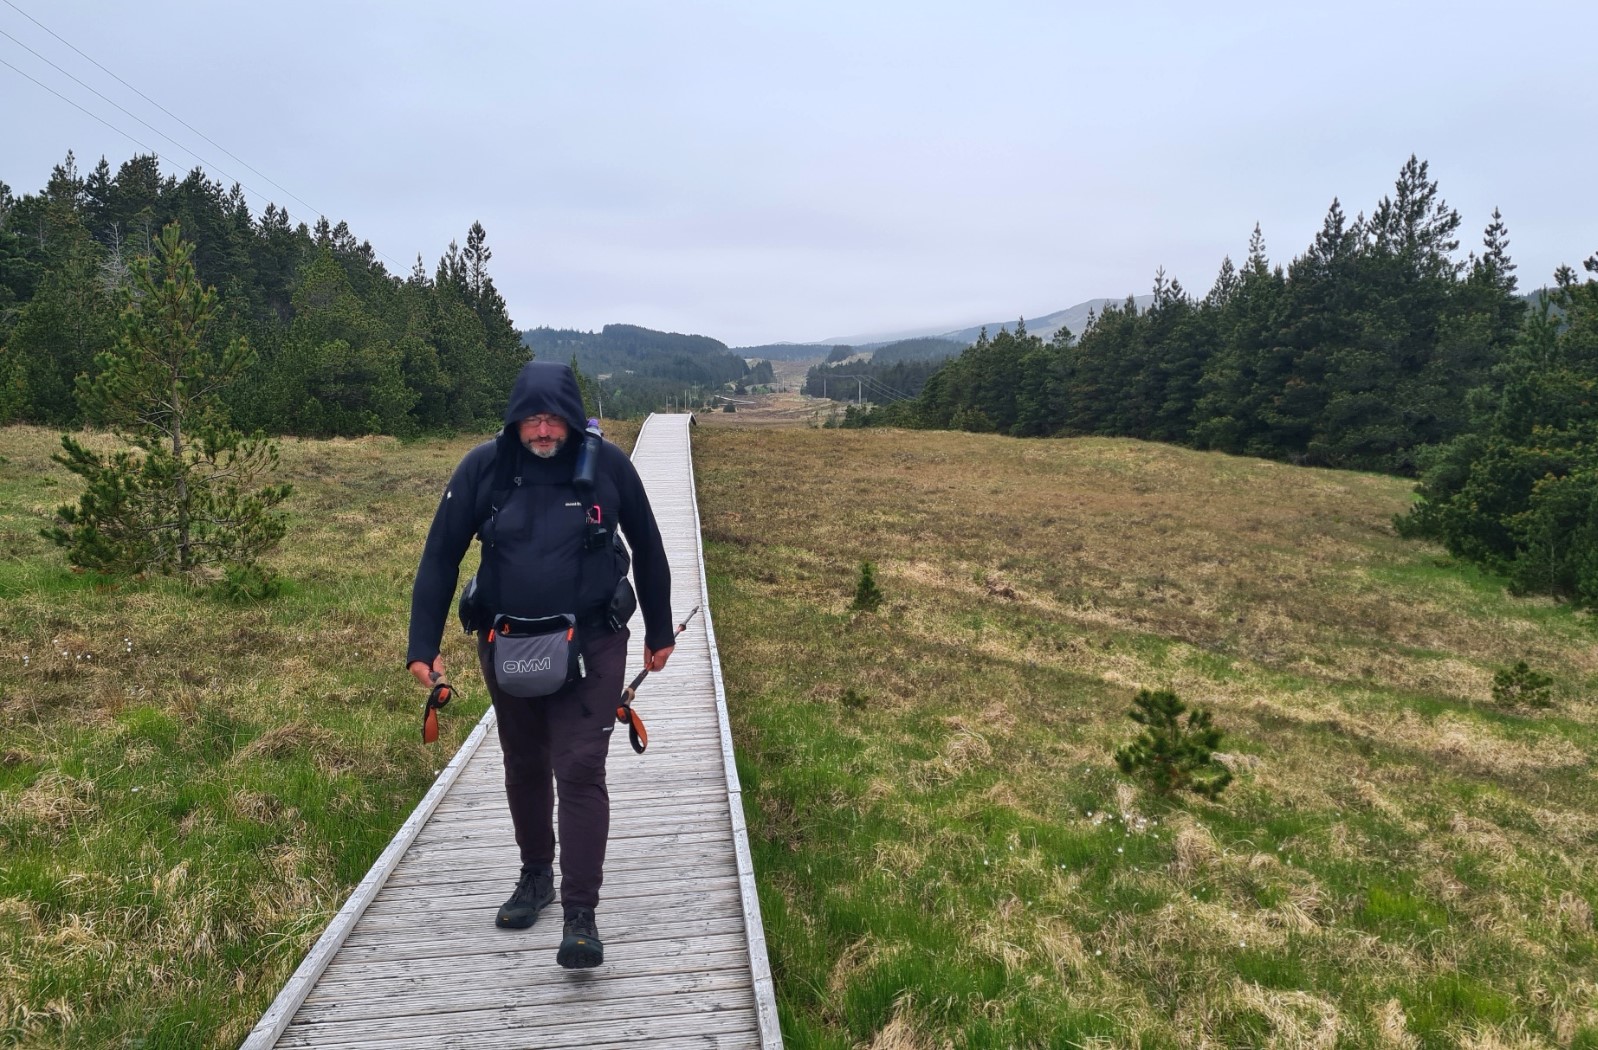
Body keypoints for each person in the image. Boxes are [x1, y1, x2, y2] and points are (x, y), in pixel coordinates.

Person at [406, 361, 673, 969]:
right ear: (514, 420)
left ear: (573, 418)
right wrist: (423, 645)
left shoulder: (609, 467)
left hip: (594, 642)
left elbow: (650, 547)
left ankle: (581, 914)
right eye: (532, 418)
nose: (544, 429)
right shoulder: (482, 468)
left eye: (554, 418)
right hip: (508, 643)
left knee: (579, 767)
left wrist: (659, 631)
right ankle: (535, 876)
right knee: (524, 762)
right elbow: (441, 554)